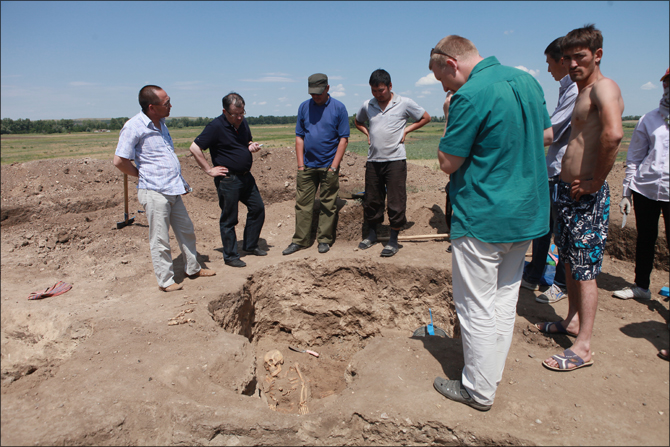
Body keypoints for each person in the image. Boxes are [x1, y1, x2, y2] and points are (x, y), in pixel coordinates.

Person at [428, 35, 553, 411]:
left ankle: (478, 390)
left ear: (451, 63)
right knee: (503, 299)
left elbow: (448, 162)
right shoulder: (527, 81)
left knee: (475, 306)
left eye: (441, 78)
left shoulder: (470, 94)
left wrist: (450, 116)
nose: (443, 86)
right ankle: (490, 373)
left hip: (483, 216)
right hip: (526, 214)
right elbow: (546, 135)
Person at [539, 24, 624, 372]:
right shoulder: (581, 91)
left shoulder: (604, 88)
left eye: (580, 57)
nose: (572, 63)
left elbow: (614, 135)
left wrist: (594, 181)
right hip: (568, 190)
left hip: (585, 194)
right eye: (568, 57)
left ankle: (584, 346)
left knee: (585, 268)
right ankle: (572, 320)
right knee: (571, 262)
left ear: (597, 55)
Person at [113, 85, 215, 292]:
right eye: (166, 103)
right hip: (154, 191)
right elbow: (119, 160)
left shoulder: (162, 124)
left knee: (186, 230)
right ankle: (166, 280)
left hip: (173, 189)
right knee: (160, 237)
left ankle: (193, 268)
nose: (170, 106)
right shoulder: (134, 126)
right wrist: (141, 174)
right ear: (152, 107)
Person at [521, 37, 578, 304]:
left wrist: (518, 134)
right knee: (543, 226)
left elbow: (551, 134)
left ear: (563, 61)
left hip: (563, 171)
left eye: (549, 63)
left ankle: (560, 284)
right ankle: (533, 273)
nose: (547, 70)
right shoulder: (566, 89)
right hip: (552, 170)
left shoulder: (576, 91)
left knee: (560, 230)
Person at [354, 69, 431, 257]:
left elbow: (425, 117)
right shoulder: (368, 104)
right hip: (373, 160)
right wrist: (367, 133)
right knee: (372, 199)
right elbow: (358, 121)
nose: (378, 94)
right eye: (374, 90)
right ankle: (372, 235)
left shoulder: (404, 103)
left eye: (381, 90)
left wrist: (407, 130)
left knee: (396, 200)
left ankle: (393, 240)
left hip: (395, 160)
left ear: (390, 86)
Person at [189, 93, 265, 268]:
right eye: (235, 114)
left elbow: (246, 142)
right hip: (228, 180)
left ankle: (250, 245)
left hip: (246, 177)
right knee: (230, 219)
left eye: (242, 113)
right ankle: (230, 256)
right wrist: (208, 169)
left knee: (258, 208)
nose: (239, 117)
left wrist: (251, 146)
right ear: (225, 111)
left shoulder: (242, 122)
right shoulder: (215, 126)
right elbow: (194, 147)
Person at [613, 68, 668, 300]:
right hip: (646, 188)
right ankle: (641, 286)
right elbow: (634, 157)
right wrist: (626, 192)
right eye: (667, 83)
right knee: (645, 238)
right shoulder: (649, 119)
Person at [282, 73, 350, 255]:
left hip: (329, 165)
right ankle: (300, 240)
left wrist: (334, 166)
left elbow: (343, 139)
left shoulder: (339, 108)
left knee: (328, 204)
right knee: (303, 204)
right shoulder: (304, 107)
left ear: (327, 88)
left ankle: (324, 240)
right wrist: (300, 165)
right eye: (312, 94)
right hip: (307, 166)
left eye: (319, 93)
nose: (316, 97)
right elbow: (299, 136)